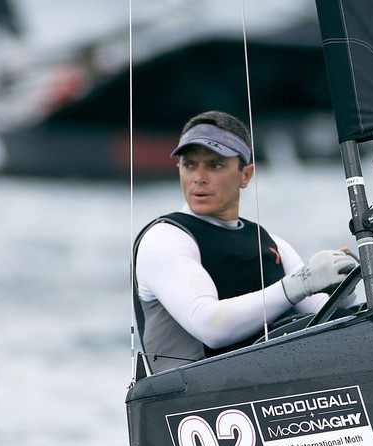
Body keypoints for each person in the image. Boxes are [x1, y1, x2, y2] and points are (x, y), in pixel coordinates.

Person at [133, 111, 357, 374]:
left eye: (215, 165)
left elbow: (322, 315)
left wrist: (345, 288)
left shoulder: (274, 245)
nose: (199, 177)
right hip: (190, 404)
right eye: (189, 165)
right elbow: (211, 328)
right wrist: (302, 282)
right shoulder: (165, 239)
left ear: (246, 175)